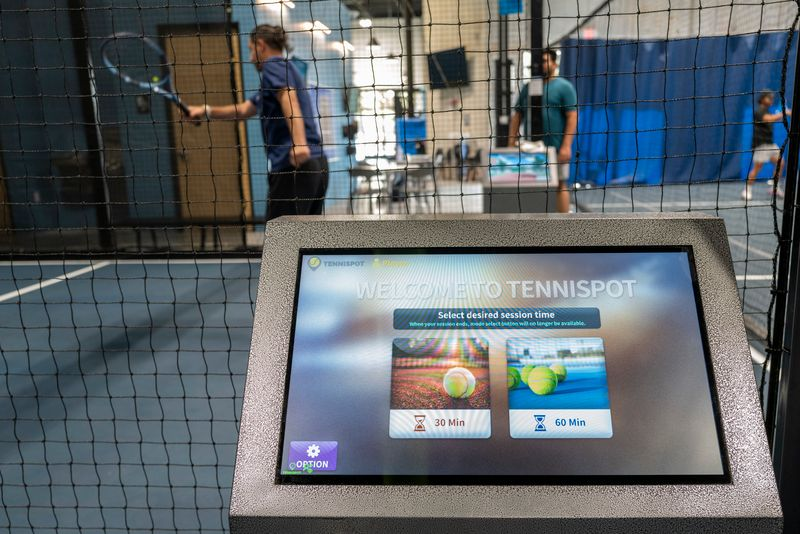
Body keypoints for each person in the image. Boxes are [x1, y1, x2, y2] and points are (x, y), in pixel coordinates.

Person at [186, 24, 327, 220]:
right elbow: (244, 110)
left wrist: (299, 143)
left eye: (251, 50)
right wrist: (205, 110)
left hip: (295, 166)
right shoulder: (286, 69)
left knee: (280, 242)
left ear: (260, 45)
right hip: (316, 165)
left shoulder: (273, 65)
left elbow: (288, 97)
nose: (251, 57)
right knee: (305, 240)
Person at [508, 49, 577, 213]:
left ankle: (564, 226)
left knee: (560, 184)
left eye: (546, 61)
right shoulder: (529, 87)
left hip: (556, 147)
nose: (542, 65)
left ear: (554, 63)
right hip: (531, 148)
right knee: (532, 184)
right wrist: (511, 141)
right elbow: (517, 115)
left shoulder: (564, 87)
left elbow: (572, 117)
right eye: (540, 62)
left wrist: (566, 146)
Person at [742, 90, 791, 200]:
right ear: (763, 99)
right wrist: (785, 112)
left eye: (772, 98)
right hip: (761, 145)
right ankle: (747, 190)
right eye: (769, 98)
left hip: (770, 144)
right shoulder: (759, 111)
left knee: (780, 163)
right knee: (757, 168)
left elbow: (773, 119)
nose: (771, 100)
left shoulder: (767, 111)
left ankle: (775, 187)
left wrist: (784, 113)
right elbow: (769, 119)